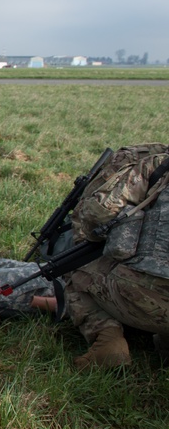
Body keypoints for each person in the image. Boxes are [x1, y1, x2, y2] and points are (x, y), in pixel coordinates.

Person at [63, 143, 169, 368]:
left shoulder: (156, 163)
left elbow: (97, 215)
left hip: (153, 299)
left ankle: (107, 340)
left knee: (75, 268)